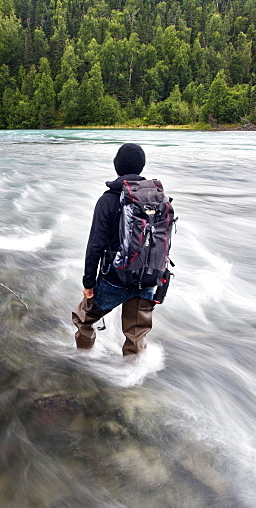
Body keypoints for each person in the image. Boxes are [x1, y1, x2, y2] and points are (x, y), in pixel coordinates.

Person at [72, 142, 158, 356]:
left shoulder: (108, 200)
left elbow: (95, 245)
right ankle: (133, 373)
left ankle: (83, 359)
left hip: (115, 279)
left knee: (83, 317)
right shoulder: (157, 198)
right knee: (136, 332)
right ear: (142, 167)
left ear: (116, 167)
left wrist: (88, 283)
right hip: (148, 277)